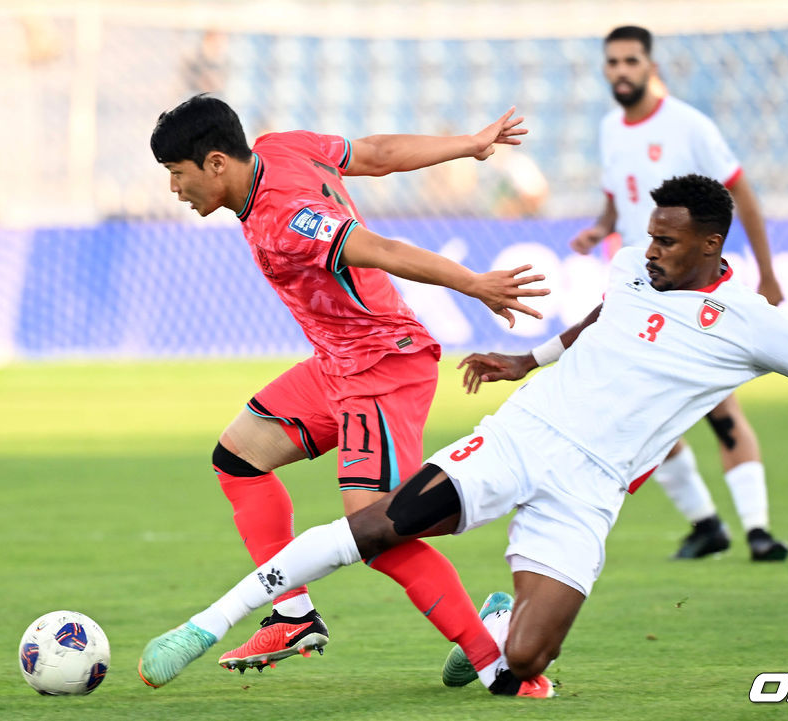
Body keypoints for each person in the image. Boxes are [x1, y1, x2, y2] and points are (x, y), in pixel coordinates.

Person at [138, 174, 788, 698]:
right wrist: (527, 359)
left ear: (713, 245)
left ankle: (501, 614)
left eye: (669, 242)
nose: (651, 250)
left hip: (592, 489)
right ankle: (209, 622)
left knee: (518, 673)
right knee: (378, 524)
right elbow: (600, 321)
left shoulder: (756, 324)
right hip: (524, 435)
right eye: (651, 236)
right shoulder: (637, 273)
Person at [143, 94, 550, 681]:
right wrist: (468, 144)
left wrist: (474, 284)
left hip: (383, 365)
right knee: (237, 457)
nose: (175, 191)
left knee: (376, 530)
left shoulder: (287, 218)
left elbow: (381, 249)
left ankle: (500, 661)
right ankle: (292, 614)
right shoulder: (282, 146)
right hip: (337, 364)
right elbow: (377, 154)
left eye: (177, 175)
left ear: (214, 163)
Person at [571, 25, 788, 561]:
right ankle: (709, 525)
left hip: (688, 287)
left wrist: (767, 271)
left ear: (650, 64)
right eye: (613, 62)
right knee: (647, 411)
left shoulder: (688, 125)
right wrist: (600, 229)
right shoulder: (609, 128)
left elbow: (741, 194)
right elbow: (615, 196)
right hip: (638, 287)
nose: (620, 71)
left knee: (715, 404)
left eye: (630, 61)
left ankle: (757, 530)